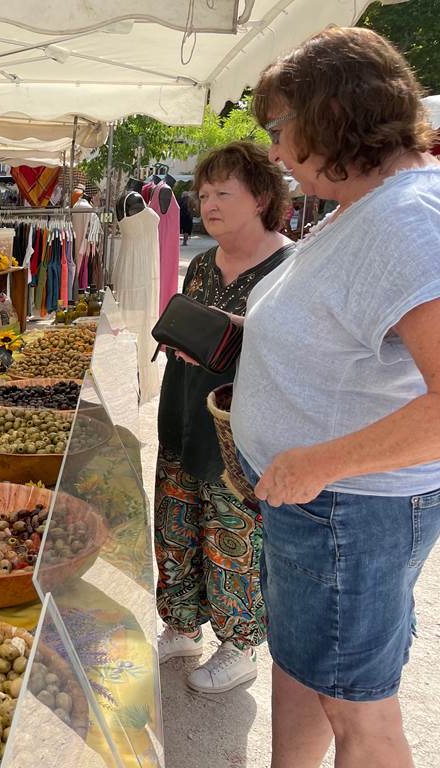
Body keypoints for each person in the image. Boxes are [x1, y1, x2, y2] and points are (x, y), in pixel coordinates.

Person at [232, 27, 440, 767]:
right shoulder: (370, 207)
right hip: (322, 505)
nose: (279, 154)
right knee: (307, 666)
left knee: (361, 714)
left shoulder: (407, 220)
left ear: (333, 115)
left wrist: (318, 463)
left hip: (349, 509)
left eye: (282, 130)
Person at [155, 142, 293, 693]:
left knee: (232, 536)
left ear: (260, 197)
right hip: (182, 411)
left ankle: (239, 647)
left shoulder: (288, 269)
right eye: (203, 193)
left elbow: (295, 358)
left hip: (240, 432)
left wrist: (240, 334)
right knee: (176, 525)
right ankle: (182, 624)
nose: (208, 204)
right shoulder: (204, 264)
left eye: (222, 193)